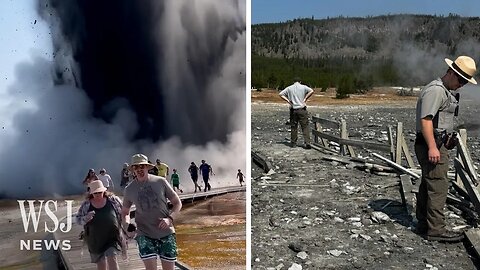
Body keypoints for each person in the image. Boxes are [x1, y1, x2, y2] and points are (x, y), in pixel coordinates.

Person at [414, 55, 477, 242]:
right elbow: (425, 120)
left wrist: (446, 141)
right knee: (438, 186)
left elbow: (438, 122)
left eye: (465, 81)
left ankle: (424, 224)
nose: (462, 84)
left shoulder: (444, 91)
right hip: (430, 144)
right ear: (450, 72)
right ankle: (436, 230)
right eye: (460, 79)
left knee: (429, 184)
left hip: (436, 142)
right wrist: (433, 147)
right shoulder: (436, 91)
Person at [121, 154, 182, 270]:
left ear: (147, 167)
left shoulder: (160, 182)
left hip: (166, 232)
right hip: (144, 234)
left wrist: (169, 219)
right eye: (136, 167)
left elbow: (177, 203)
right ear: (133, 169)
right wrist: (127, 225)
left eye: (142, 166)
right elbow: (125, 212)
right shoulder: (129, 189)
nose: (139, 169)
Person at [76, 180, 127, 270]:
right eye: (95, 193)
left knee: (112, 258)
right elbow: (78, 219)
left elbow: (124, 212)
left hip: (112, 236)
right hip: (95, 239)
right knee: (101, 264)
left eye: (100, 192)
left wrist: (126, 225)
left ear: (104, 191)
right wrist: (86, 218)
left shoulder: (113, 200)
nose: (98, 194)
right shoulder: (86, 204)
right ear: (91, 193)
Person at [279, 77, 314, 149]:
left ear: (293, 81)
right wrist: (305, 99)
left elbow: (281, 94)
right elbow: (311, 91)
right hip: (302, 108)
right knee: (305, 126)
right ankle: (307, 142)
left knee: (294, 126)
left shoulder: (289, 88)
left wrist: (288, 100)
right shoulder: (303, 87)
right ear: (300, 81)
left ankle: (293, 143)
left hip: (293, 109)